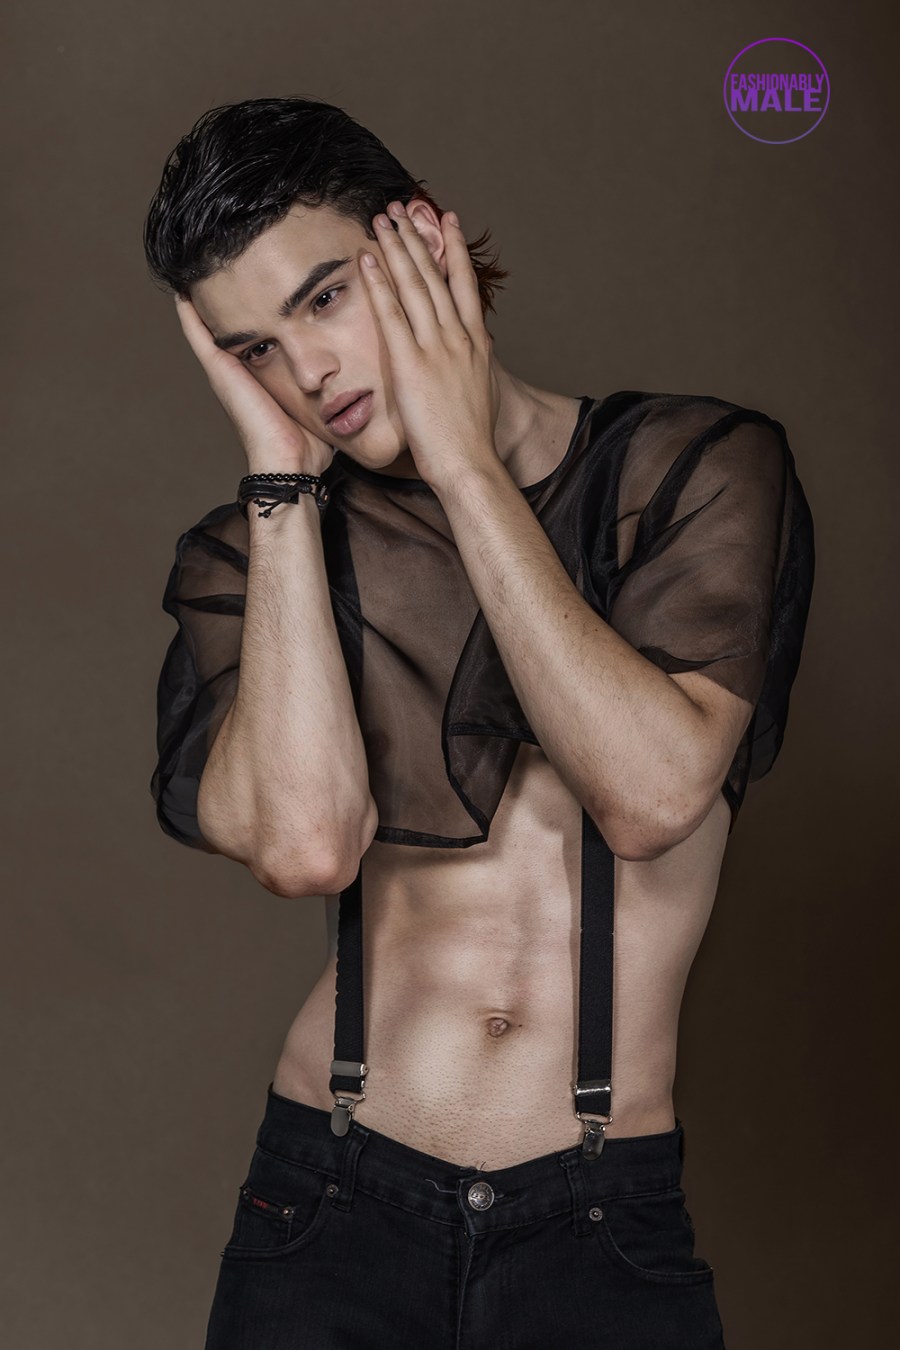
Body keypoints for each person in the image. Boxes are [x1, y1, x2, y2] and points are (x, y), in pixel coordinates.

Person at [143, 97, 815, 1349]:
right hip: (330, 1199)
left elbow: (650, 796)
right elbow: (306, 846)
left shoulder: (692, 467)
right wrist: (281, 483)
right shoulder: (263, 554)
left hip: (600, 1217)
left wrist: (464, 466)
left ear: (425, 241)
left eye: (323, 298)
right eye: (256, 351)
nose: (309, 374)